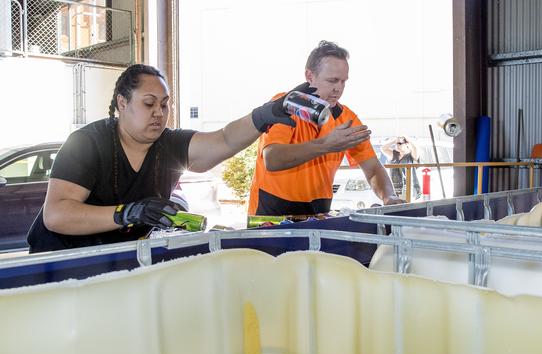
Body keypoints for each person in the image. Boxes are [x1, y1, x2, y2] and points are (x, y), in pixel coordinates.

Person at [27, 64, 307, 253]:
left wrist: (264, 115)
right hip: (58, 258)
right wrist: (129, 213)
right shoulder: (88, 142)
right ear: (122, 103)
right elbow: (57, 215)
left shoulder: (169, 143)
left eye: (165, 104)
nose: (159, 113)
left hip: (114, 257)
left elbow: (224, 139)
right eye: (149, 104)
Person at [248, 41, 403, 216]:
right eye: (332, 80)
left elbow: (373, 167)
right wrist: (325, 145)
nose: (338, 88)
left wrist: (389, 197)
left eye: (343, 81)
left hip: (318, 213)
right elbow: (273, 159)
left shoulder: (347, 118)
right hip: (272, 211)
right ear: (309, 75)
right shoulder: (284, 105)